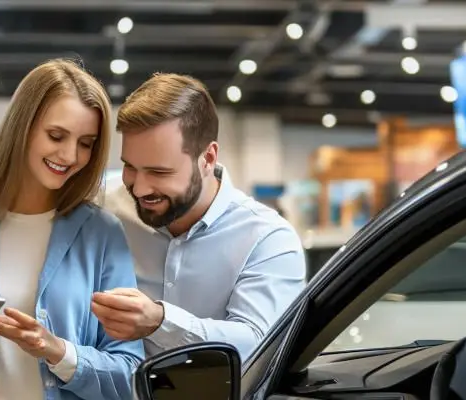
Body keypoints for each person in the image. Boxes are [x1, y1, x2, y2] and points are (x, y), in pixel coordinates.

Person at [0, 59, 144, 400]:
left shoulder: (102, 233)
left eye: (86, 143)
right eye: (56, 135)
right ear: (22, 126)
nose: (70, 155)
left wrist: (59, 351)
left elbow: (129, 372)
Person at [91, 73, 306, 361]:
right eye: (130, 167)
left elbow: (258, 344)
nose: (140, 188)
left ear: (208, 158)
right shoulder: (101, 203)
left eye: (159, 172)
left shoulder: (268, 239)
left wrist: (159, 322)